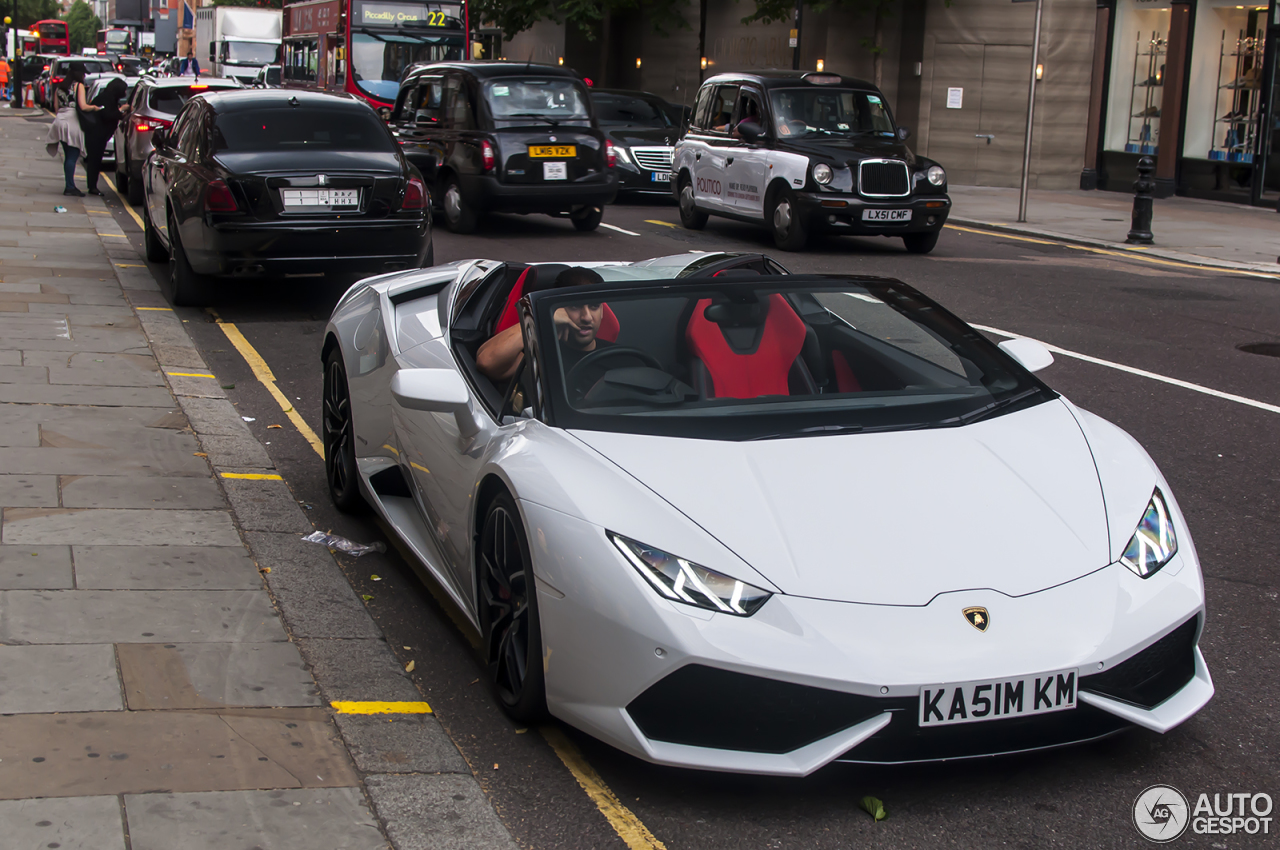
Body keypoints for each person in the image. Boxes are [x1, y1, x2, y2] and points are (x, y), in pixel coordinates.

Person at [476, 267, 607, 382]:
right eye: (574, 306)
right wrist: (539, 318)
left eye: (594, 306)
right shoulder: (540, 355)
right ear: (558, 309)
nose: (587, 317)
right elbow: (486, 361)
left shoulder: (619, 356)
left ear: (602, 311)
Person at [45, 64, 103, 196]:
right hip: (72, 122)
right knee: (72, 156)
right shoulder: (78, 86)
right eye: (83, 73)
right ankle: (70, 187)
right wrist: (94, 107)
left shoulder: (60, 87)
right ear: (79, 74)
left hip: (59, 121)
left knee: (68, 155)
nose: (84, 76)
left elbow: (55, 106)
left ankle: (70, 184)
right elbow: (82, 106)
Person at [81, 77, 130, 196]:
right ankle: (92, 187)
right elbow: (107, 115)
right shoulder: (104, 99)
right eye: (123, 91)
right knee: (94, 161)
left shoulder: (110, 99)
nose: (124, 93)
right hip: (95, 134)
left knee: (96, 161)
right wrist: (121, 110)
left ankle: (93, 185)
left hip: (100, 135)